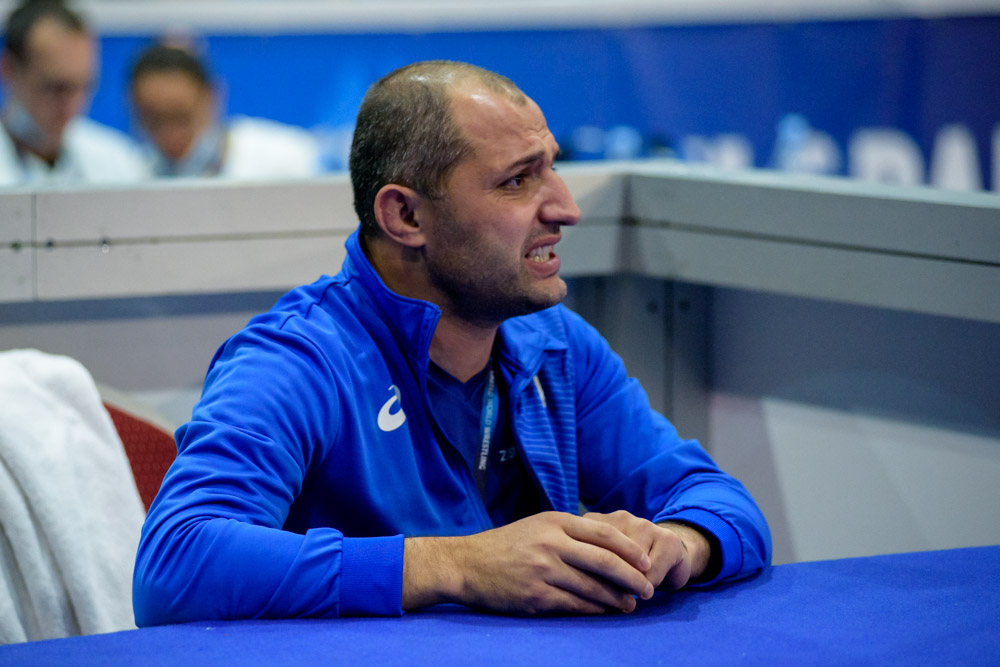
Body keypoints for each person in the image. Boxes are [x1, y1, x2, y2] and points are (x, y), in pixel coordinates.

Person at [133, 60, 771, 624]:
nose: (566, 208)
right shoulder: (299, 359)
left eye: (552, 167)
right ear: (405, 216)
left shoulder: (554, 345)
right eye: (517, 181)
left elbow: (721, 503)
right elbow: (174, 564)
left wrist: (678, 545)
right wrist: (458, 566)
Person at [0, 0, 146, 186]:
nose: (72, 103)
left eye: (84, 86)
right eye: (56, 88)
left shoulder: (119, 163)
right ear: (9, 71)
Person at [129, 43, 320, 179]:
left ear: (211, 97)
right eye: (153, 121)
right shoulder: (134, 173)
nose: (169, 132)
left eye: (182, 117)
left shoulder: (286, 158)